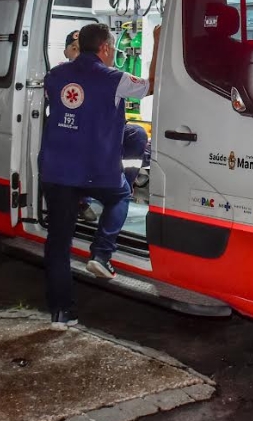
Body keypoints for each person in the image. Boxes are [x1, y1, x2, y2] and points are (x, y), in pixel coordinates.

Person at [38, 22, 158, 328]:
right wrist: (157, 42)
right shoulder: (114, 78)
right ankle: (101, 254)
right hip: (94, 171)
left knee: (57, 243)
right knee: (120, 195)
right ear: (104, 49)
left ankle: (61, 312)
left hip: (57, 171)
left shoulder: (57, 74)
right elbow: (152, 85)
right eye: (113, 48)